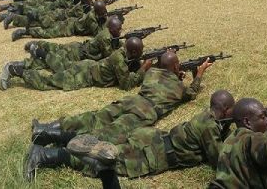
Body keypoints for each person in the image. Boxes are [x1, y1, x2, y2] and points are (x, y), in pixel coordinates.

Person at [23, 90, 235, 182]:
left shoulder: (208, 116)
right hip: (156, 153)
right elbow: (219, 160)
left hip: (152, 138)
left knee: (98, 141)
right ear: (225, 110)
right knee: (105, 161)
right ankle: (44, 155)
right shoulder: (210, 127)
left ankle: (46, 134)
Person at [30, 51, 212, 146]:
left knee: (94, 117)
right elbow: (191, 93)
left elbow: (164, 74)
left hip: (130, 101)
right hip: (143, 112)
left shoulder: (152, 72)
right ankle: (53, 139)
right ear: (175, 66)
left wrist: (174, 72)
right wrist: (199, 74)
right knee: (107, 135)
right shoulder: (178, 87)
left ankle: (46, 127)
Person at [0, 37, 150, 91]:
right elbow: (126, 85)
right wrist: (143, 68)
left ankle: (37, 54)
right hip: (84, 76)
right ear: (134, 53)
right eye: (141, 52)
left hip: (87, 65)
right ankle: (15, 70)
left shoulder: (123, 51)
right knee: (50, 81)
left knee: (59, 64)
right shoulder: (119, 59)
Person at [22, 15, 123, 72]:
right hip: (77, 54)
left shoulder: (107, 32)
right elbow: (109, 55)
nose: (120, 31)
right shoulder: (105, 37)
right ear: (112, 29)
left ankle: (35, 45)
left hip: (78, 48)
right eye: (118, 29)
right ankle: (36, 51)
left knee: (56, 48)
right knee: (56, 62)